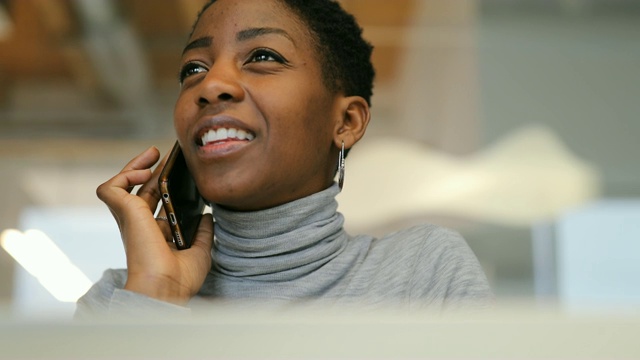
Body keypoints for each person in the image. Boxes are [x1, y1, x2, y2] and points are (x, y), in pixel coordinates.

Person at [76, 0, 492, 318]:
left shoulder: (422, 272)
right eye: (193, 69)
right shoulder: (121, 300)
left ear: (346, 121)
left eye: (262, 57)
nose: (211, 84)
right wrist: (157, 294)